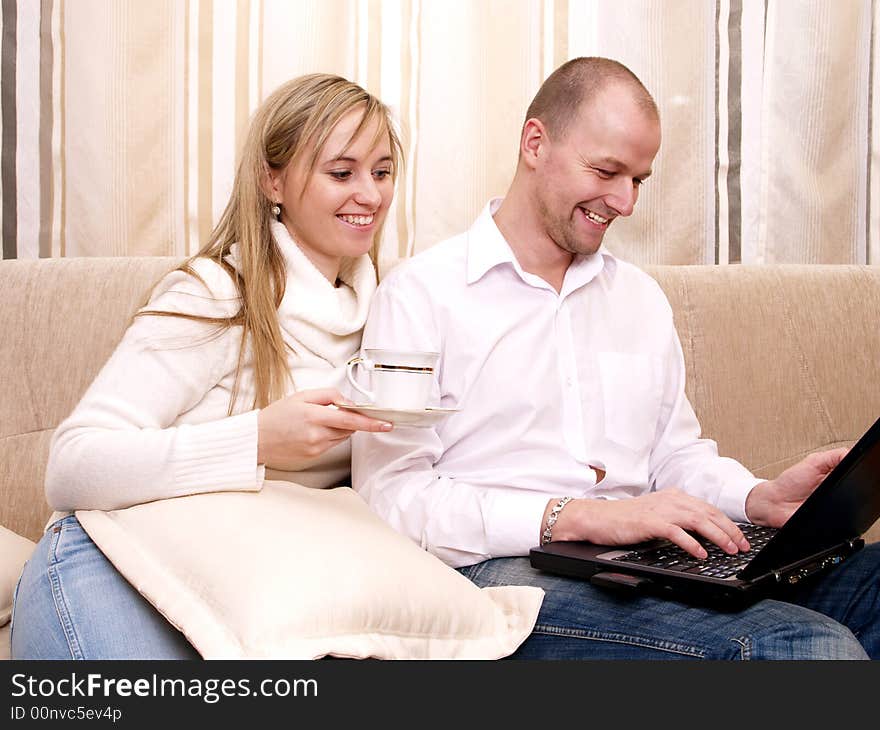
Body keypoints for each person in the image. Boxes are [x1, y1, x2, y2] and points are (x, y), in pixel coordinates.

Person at [351, 57, 880, 660]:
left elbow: (673, 456)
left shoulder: (638, 298)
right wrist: (571, 518)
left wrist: (757, 498)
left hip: (640, 561)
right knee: (804, 649)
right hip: (497, 576)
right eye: (606, 171)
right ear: (534, 143)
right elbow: (392, 495)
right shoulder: (422, 294)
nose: (625, 203)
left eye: (639, 180)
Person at [11, 73, 403, 659]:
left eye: (382, 171)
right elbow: (73, 464)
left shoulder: (392, 315)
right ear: (274, 181)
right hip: (113, 561)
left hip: (243, 583)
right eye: (341, 173)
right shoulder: (218, 295)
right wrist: (257, 441)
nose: (369, 195)